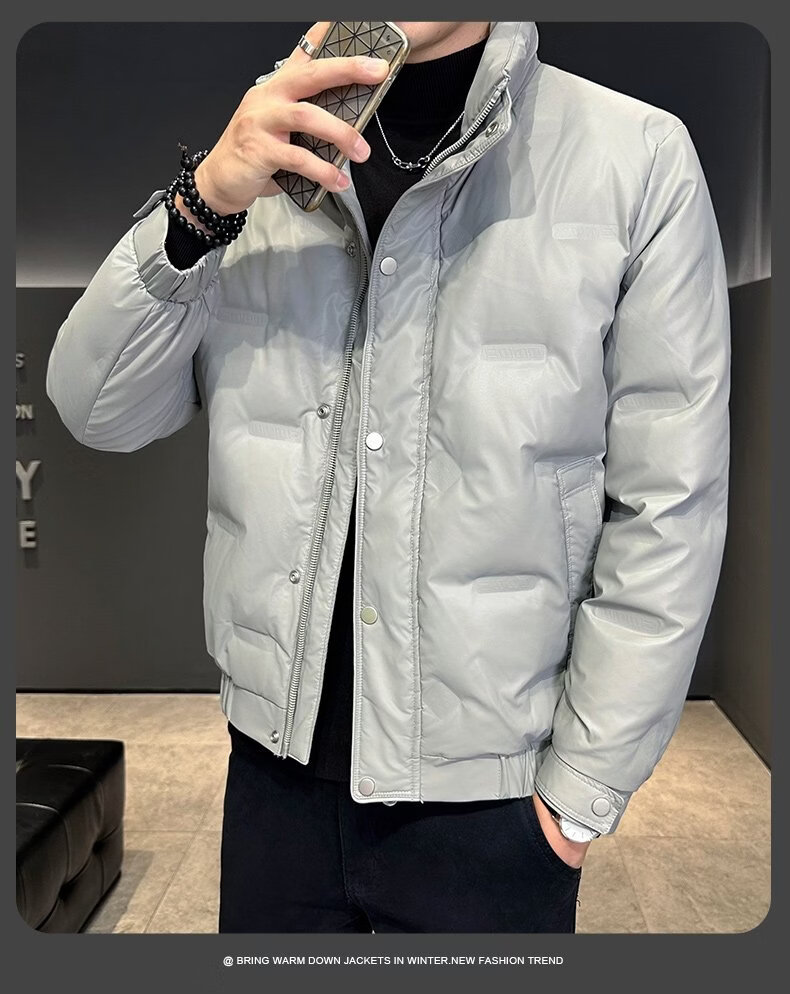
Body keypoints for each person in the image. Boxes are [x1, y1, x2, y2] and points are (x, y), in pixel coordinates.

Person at [45, 21, 731, 933]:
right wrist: (202, 202)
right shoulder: (264, 150)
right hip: (273, 783)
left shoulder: (633, 155)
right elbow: (98, 409)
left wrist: (575, 802)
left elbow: (669, 508)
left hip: (494, 806)